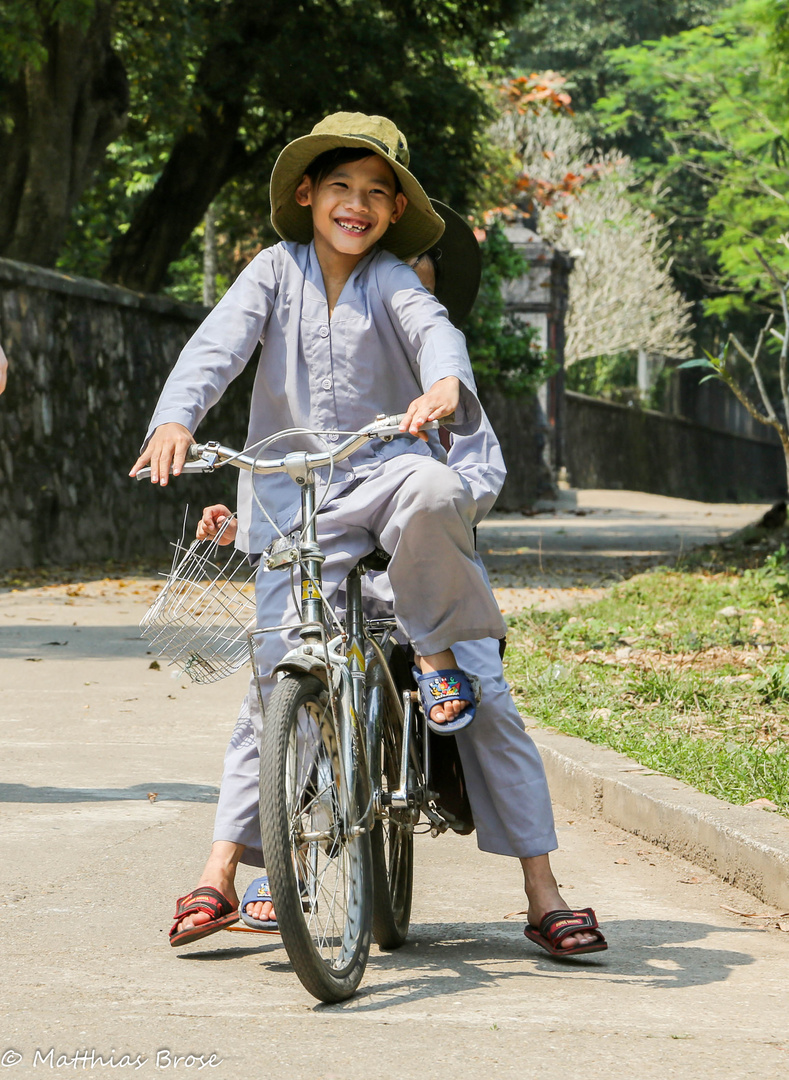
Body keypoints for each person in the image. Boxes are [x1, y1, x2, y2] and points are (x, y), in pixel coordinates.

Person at [131, 112, 607, 958]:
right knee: (275, 690)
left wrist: (446, 385)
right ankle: (227, 873)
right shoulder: (271, 273)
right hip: (298, 509)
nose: (356, 205)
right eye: (340, 188)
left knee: (478, 673)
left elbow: (436, 340)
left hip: (396, 518)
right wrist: (176, 419)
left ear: (394, 213)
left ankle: (542, 890)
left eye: (376, 194)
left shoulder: (396, 286)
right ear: (306, 195)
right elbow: (215, 347)